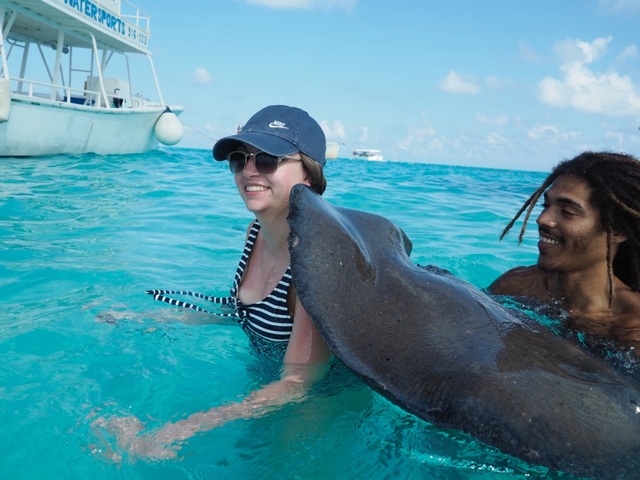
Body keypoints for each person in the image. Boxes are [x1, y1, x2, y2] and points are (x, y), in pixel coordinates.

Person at [95, 105, 332, 459]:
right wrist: (156, 319)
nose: (249, 170)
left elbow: (297, 383)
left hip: (315, 404)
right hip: (261, 376)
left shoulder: (315, 267)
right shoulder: (255, 232)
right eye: (240, 159)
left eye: (267, 159)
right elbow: (243, 313)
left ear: (308, 176)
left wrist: (177, 431)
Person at [488, 151, 640, 351]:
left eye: (568, 212)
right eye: (546, 204)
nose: (542, 219)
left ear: (617, 231)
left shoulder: (631, 326)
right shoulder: (515, 286)